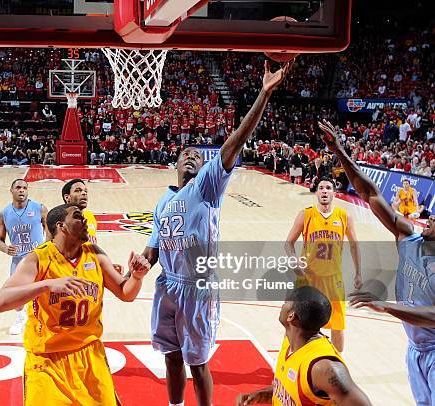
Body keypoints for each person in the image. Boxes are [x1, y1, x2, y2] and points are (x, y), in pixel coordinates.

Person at [142, 60, 292, 406]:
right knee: (171, 356)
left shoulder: (207, 186)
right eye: (185, 155)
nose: (192, 158)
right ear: (175, 165)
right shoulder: (164, 201)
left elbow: (235, 140)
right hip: (167, 283)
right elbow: (153, 249)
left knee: (198, 363)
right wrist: (138, 265)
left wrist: (264, 93)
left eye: (197, 155)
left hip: (197, 285)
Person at [318, 119, 435, 406]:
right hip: (414, 349)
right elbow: (371, 194)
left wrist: (386, 306)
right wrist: (339, 150)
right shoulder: (409, 238)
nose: (428, 218)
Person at [0, 204, 151, 405]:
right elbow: (0, 302)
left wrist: (137, 277)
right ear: (61, 226)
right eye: (78, 217)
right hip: (47, 360)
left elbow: (126, 294)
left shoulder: (95, 254)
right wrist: (47, 285)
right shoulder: (38, 258)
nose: (85, 221)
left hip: (89, 355)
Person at [235, 286, 372, 405]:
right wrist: (262, 394)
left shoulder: (322, 367)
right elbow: (296, 394)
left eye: (286, 303)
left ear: (291, 316)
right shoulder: (290, 343)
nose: (282, 306)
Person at [285, 177, 362, 352]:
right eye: (321, 188)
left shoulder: (344, 216)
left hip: (333, 278)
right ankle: (294, 359)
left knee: (338, 325)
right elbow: (288, 243)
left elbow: (354, 245)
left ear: (334, 192)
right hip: (308, 278)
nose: (325, 191)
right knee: (298, 323)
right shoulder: (306, 214)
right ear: (316, 192)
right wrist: (294, 261)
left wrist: (358, 273)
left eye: (328, 188)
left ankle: (336, 362)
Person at [0, 179, 47, 335]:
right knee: (16, 292)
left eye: (24, 188)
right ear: (11, 191)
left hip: (39, 257)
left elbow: (50, 230)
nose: (22, 190)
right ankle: (20, 318)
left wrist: (47, 247)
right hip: (19, 260)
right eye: (18, 187)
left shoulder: (40, 208)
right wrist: (6, 248)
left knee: (45, 291)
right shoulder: (4, 213)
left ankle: (45, 320)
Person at [62, 179, 97, 244]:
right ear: (67, 197)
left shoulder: (89, 215)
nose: (84, 193)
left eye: (85, 191)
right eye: (78, 191)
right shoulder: (59, 218)